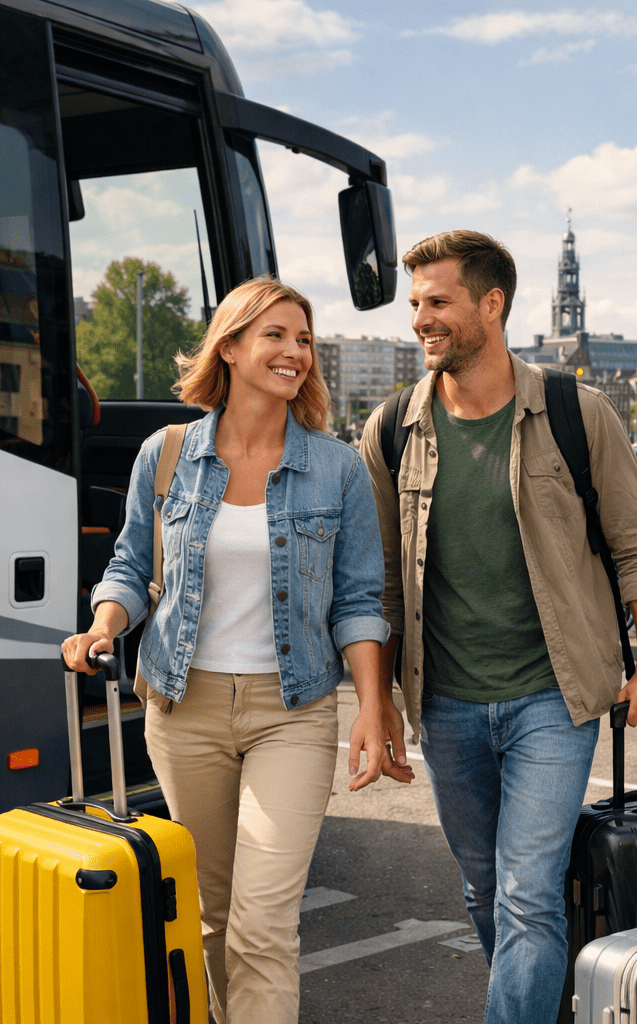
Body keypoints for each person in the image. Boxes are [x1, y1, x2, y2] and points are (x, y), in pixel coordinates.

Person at [360, 230, 637, 1024]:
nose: (420, 319)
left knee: (530, 895)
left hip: (552, 698)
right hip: (448, 702)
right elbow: (381, 582)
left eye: (438, 302)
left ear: (491, 305)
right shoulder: (392, 427)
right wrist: (381, 702)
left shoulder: (577, 412)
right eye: (415, 304)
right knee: (483, 889)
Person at [62, 277, 391, 1024]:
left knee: (264, 924)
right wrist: (105, 626)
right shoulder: (168, 454)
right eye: (275, 335)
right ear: (232, 346)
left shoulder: (336, 468)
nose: (295, 352)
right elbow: (129, 566)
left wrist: (373, 708)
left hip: (293, 710)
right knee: (210, 917)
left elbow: (359, 603)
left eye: (303, 339)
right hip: (186, 709)